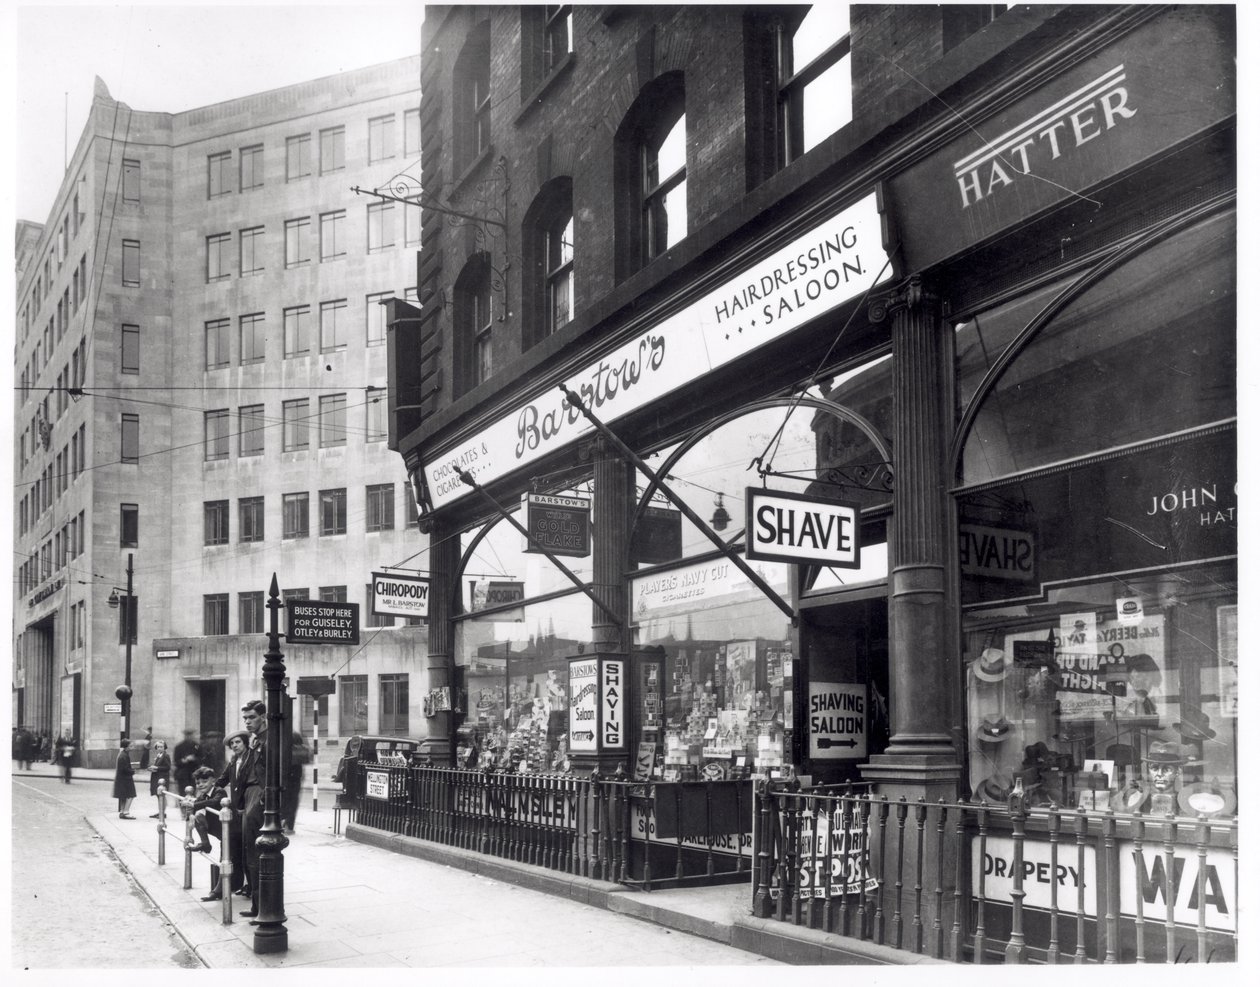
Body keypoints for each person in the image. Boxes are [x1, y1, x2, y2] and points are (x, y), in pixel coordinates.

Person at [238, 701, 268, 918]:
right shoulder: (255, 740)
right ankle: (256, 906)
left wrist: (265, 799)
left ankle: (262, 908)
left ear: (263, 717)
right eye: (245, 718)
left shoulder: (268, 740)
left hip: (259, 796)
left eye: (252, 717)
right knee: (249, 852)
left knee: (256, 854)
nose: (248, 722)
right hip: (249, 795)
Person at [180, 766, 230, 900]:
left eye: (204, 781)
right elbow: (195, 806)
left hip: (229, 832)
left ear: (213, 781)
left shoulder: (220, 791)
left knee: (225, 859)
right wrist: (188, 810)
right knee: (196, 815)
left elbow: (215, 802)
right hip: (218, 830)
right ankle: (205, 843)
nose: (200, 785)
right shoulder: (201, 795)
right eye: (197, 783)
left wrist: (195, 805)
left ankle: (218, 891)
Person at [214, 730, 251, 898]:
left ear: (245, 742)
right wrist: (208, 792)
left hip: (248, 808)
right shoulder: (234, 761)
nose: (235, 746)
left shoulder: (251, 758)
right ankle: (240, 884)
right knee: (236, 846)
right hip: (236, 810)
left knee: (248, 847)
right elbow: (222, 780)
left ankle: (249, 885)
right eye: (232, 744)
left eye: (238, 742)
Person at [282, 730, 309, 834]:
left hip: (286, 776)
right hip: (297, 777)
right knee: (293, 802)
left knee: (284, 800)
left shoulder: (286, 745)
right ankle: (290, 825)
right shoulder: (300, 745)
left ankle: (283, 822)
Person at [173, 728, 202, 796]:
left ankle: (191, 806)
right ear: (185, 736)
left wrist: (194, 759)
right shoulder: (179, 747)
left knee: (193, 791)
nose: (189, 737)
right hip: (183, 773)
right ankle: (182, 806)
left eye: (191, 735)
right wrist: (184, 760)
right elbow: (176, 761)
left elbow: (201, 759)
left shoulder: (197, 746)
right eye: (187, 735)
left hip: (194, 773)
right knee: (182, 792)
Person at [112, 739, 137, 818]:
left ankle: (122, 811)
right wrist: (133, 771)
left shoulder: (122, 754)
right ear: (126, 747)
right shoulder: (124, 755)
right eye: (131, 746)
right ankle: (126, 812)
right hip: (125, 779)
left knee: (123, 796)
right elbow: (125, 769)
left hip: (121, 779)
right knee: (130, 795)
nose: (132, 747)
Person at [148, 739, 172, 818]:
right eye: (158, 747)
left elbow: (168, 767)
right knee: (159, 796)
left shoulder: (165, 756)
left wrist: (157, 768)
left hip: (162, 779)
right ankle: (160, 812)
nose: (159, 748)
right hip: (158, 778)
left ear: (164, 747)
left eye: (161, 747)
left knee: (161, 796)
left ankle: (162, 813)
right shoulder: (159, 755)